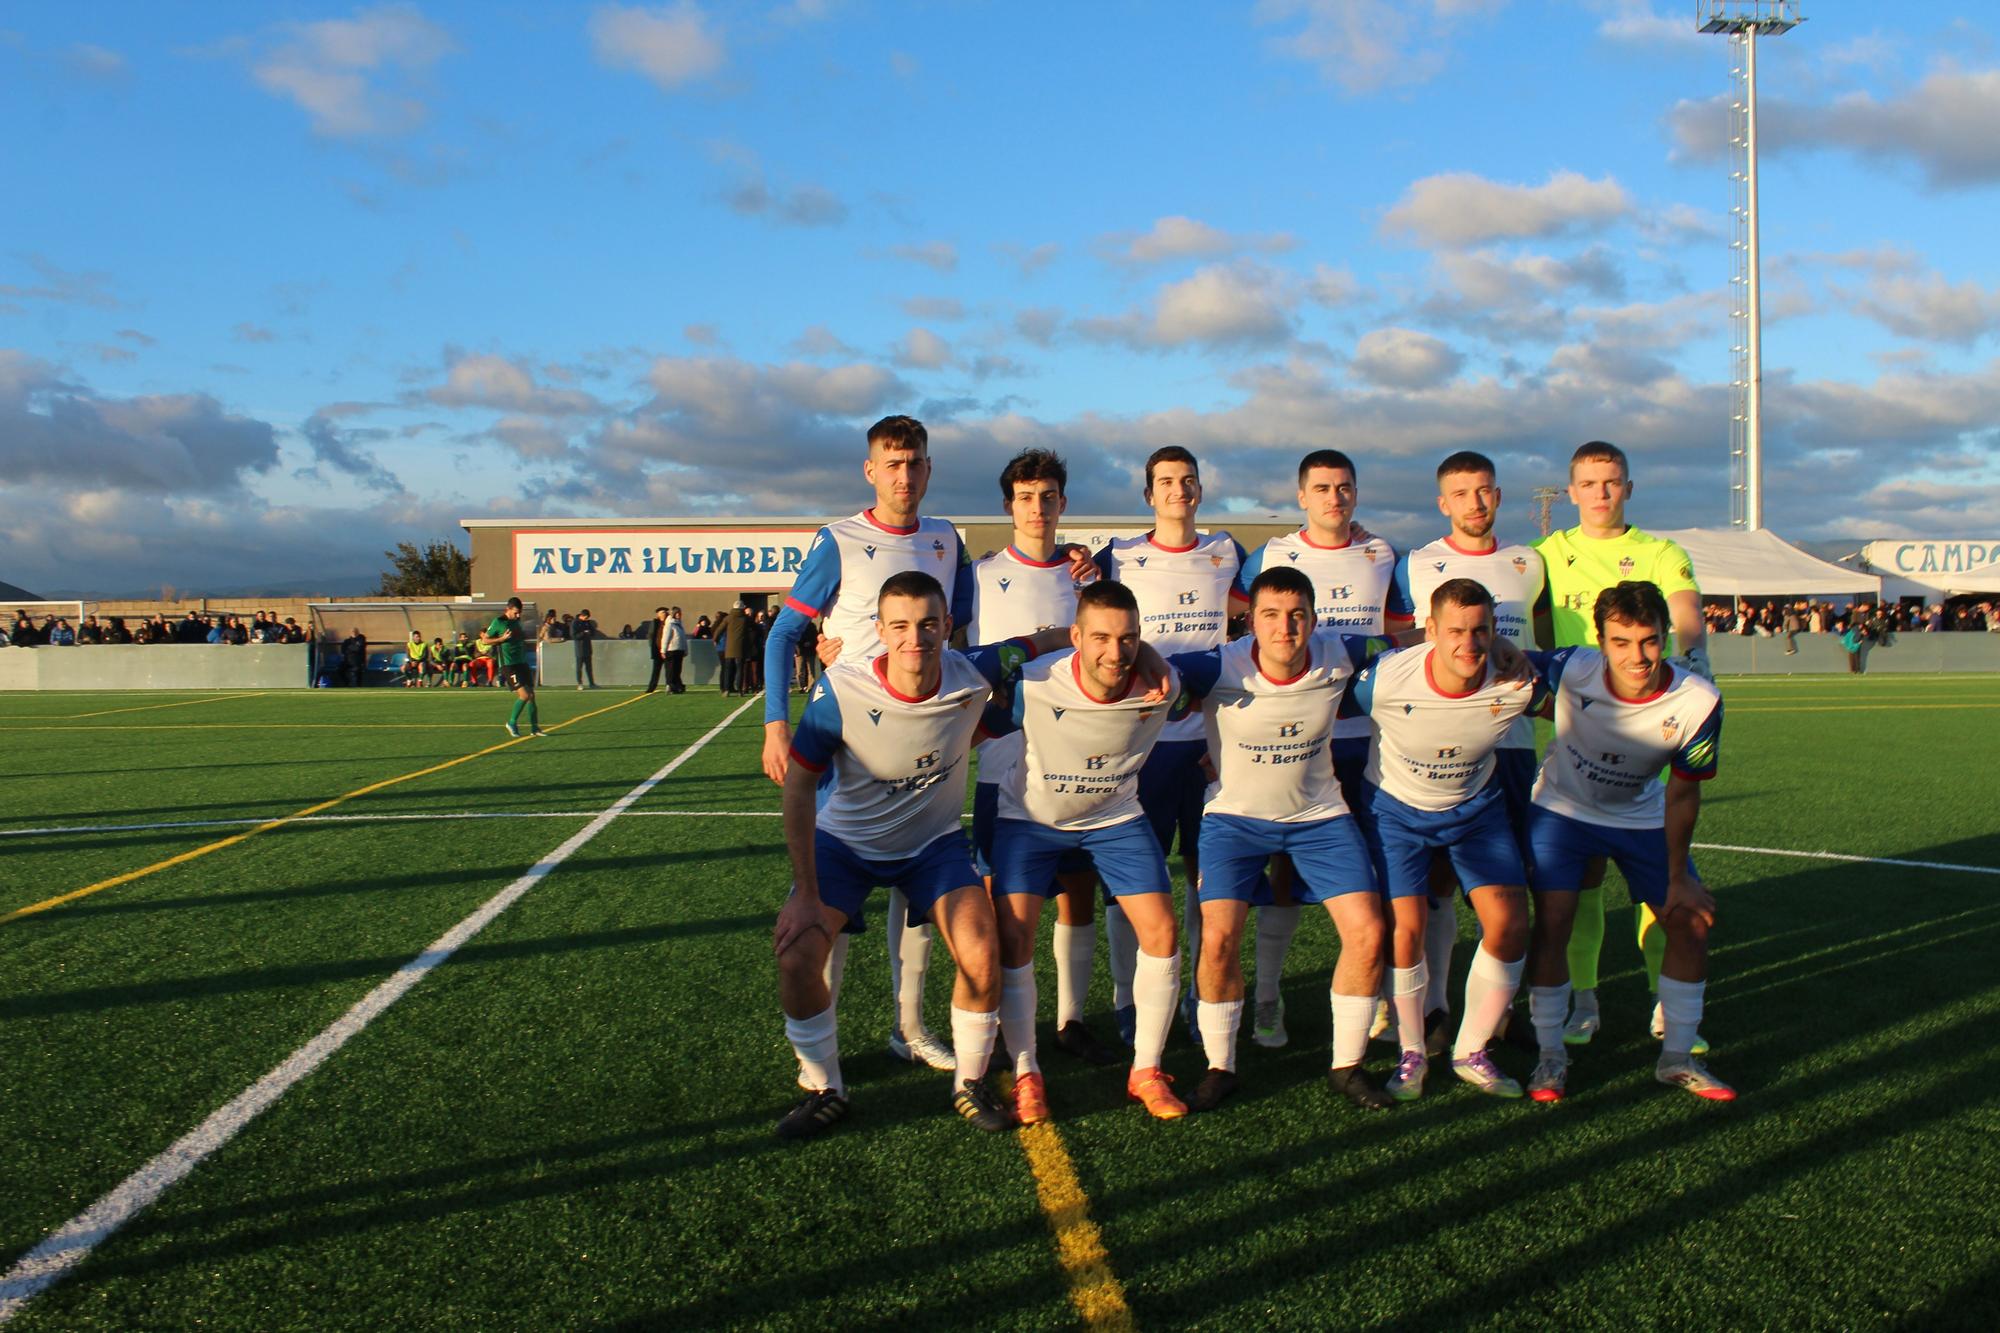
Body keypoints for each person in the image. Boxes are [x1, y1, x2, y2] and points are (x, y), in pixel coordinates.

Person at [772, 571, 1063, 1139]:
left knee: (982, 951)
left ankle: (970, 1081)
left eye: (929, 624)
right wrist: (806, 894)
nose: (915, 638)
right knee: (795, 957)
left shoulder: (973, 670)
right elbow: (799, 786)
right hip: (846, 845)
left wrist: (1133, 653)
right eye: (900, 625)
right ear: (879, 630)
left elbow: (1045, 640)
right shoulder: (842, 691)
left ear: (947, 626)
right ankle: (825, 1085)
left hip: (932, 846)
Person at [758, 415, 983, 1073]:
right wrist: (777, 724)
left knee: (919, 887)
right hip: (848, 737)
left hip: (925, 733)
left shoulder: (947, 540)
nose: (904, 475)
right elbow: (782, 636)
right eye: (891, 463)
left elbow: (962, 629)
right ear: (870, 470)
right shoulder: (840, 539)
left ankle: (908, 1026)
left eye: (914, 463)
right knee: (837, 887)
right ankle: (819, 1052)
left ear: (928, 469)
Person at [1166, 566, 1399, 1112]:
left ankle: (1347, 1067)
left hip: (1319, 818)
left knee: (1367, 932)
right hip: (1235, 820)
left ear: (1314, 619)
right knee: (1219, 937)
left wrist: (1503, 655)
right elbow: (1155, 669)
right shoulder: (1217, 665)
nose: (1285, 628)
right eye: (1271, 615)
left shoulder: (1341, 651)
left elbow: (1406, 641)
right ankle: (1220, 1066)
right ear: (1252, 621)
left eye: (1297, 615)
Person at [1521, 581, 1733, 1104]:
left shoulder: (1698, 701)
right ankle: (1550, 1057)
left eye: (1649, 641)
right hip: (1562, 812)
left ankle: (1677, 1059)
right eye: (1621, 642)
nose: (1636, 656)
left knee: (1690, 922)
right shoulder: (1571, 666)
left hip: (1640, 817)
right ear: (1600, 639)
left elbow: (1683, 797)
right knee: (1553, 923)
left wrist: (1680, 877)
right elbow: (1504, 663)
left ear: (1665, 636)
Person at [986, 580, 1186, 1121]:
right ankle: (1027, 1069)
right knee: (1014, 933)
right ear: (1075, 637)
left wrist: (1152, 657)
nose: (1115, 653)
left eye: (1129, 639)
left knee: (1163, 932)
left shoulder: (1162, 686)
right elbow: (963, 699)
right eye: (1100, 637)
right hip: (1030, 819)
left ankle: (1146, 1068)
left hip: (1114, 818)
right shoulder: (1032, 683)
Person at [1534, 440, 1709, 1047]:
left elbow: (1685, 610)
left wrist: (1693, 655)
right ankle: (1585, 1001)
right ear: (1572, 490)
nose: (1601, 493)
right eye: (1589, 482)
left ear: (1628, 488)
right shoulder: (1547, 555)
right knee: (1578, 881)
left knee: (1658, 872)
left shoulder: (1660, 552)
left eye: (1612, 482)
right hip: (1577, 734)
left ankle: (1664, 1001)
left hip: (1650, 730)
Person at [1236, 448, 1410, 1048]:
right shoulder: (1272, 556)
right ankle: (1266, 999)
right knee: (1282, 875)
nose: (1334, 498)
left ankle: (1382, 996)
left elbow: (1403, 633)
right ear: (1301, 496)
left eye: (1344, 487)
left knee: (1376, 879)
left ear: (1355, 493)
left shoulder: (1382, 553)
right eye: (1322, 488)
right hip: (1297, 739)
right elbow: (1236, 620)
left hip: (1370, 740)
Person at [1343, 579, 1536, 1101]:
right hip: (1396, 812)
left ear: (1496, 632)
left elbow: (1591, 676)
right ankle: (1410, 1053)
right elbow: (1318, 688)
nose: (1468, 644)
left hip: (1476, 811)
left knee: (1511, 924)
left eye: (1480, 631)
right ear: (1429, 630)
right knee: (1405, 930)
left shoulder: (1517, 678)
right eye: (1454, 631)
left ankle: (1471, 1050)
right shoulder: (1385, 679)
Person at [1092, 445, 1250, 1048]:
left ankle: (1192, 993)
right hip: (1143, 744)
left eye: (1187, 480)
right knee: (1133, 876)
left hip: (1209, 742)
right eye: (1165, 482)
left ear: (1200, 490)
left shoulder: (1227, 551)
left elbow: (1271, 595)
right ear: (1149, 495)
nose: (1178, 490)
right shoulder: (1121, 556)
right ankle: (1126, 999)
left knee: (1204, 875)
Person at [1387, 450, 1545, 1050]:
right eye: (1461, 493)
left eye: (1484, 491)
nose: (1474, 503)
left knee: (1506, 887)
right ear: (1442, 503)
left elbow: (1543, 647)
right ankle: (1431, 1006)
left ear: (1498, 496)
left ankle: (1496, 1009)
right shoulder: (1416, 564)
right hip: (1439, 739)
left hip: (1513, 743)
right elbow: (1398, 643)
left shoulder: (1530, 562)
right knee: (1431, 882)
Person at [968, 448, 1117, 1067]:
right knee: (1006, 899)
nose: (1038, 508)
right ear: (1009, 506)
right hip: (1003, 763)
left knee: (1077, 895)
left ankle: (1073, 1019)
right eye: (1026, 497)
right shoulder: (975, 576)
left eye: (1049, 496)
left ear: (1063, 503)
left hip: (1079, 762)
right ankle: (1003, 1021)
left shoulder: (1089, 580)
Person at [479, 597, 543, 737]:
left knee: (531, 695)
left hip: (521, 662)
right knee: (524, 695)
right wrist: (501, 639)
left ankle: (535, 728)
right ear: (507, 609)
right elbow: (485, 640)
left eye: (520, 612)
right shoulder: (498, 622)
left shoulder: (516, 622)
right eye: (516, 612)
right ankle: (511, 723)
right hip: (509, 665)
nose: (518, 615)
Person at [719, 599, 749, 695]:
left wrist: (715, 639)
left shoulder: (728, 618)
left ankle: (727, 689)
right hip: (741, 647)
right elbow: (755, 628)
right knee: (740, 669)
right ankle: (740, 689)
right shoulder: (745, 619)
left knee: (728, 669)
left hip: (729, 648)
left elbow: (719, 629)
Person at [572, 608, 599, 689]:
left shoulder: (587, 622)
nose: (586, 619)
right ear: (582, 616)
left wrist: (590, 632)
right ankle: (579, 683)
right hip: (580, 648)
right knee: (579, 667)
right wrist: (583, 633)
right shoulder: (575, 623)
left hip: (587, 648)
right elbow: (574, 635)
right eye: (586, 617)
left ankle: (592, 683)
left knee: (589, 668)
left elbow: (593, 632)